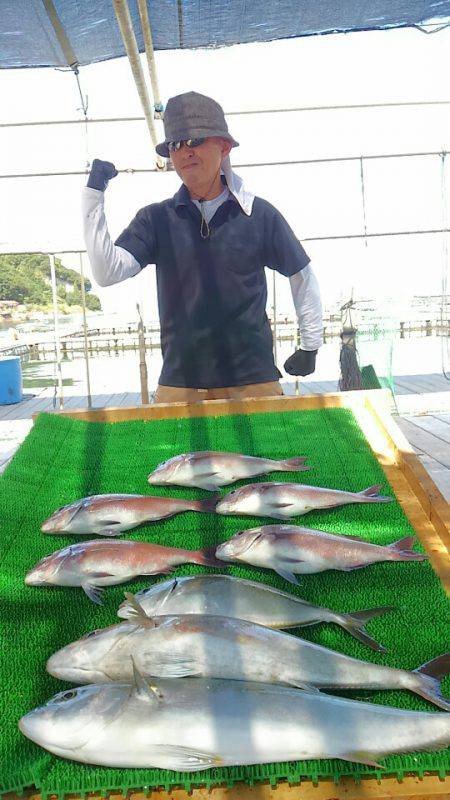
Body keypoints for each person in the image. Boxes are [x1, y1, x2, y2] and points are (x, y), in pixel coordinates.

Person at [82, 91, 323, 403]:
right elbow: (107, 272)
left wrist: (310, 345)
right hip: (180, 384)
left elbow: (302, 274)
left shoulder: (260, 215)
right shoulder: (155, 219)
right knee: (172, 453)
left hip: (254, 381)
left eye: (195, 141)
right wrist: (93, 195)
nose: (185, 152)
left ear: (223, 147)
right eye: (176, 145)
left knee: (270, 452)